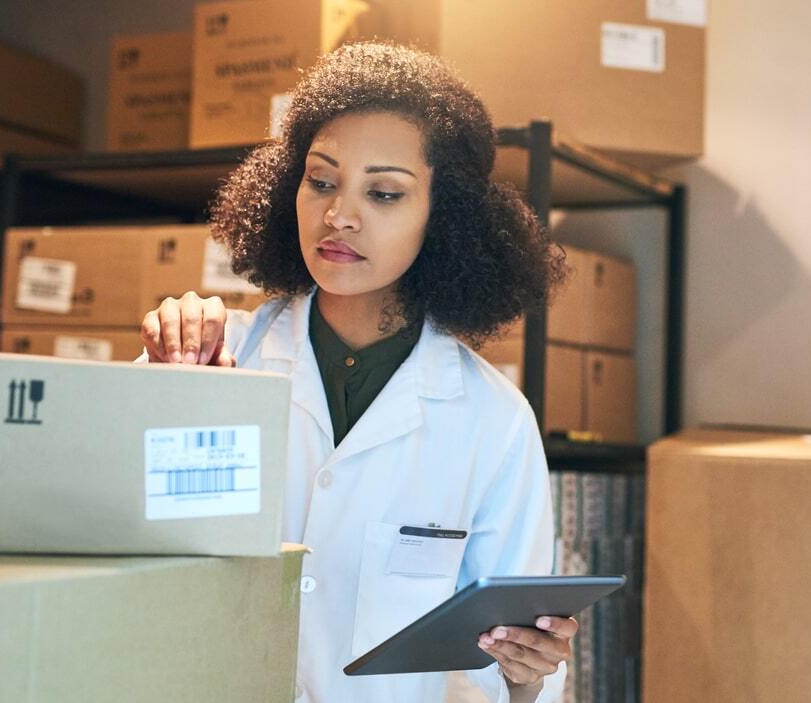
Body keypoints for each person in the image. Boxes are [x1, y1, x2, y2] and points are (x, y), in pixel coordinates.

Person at [139, 42, 572, 702]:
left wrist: (531, 667)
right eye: (320, 180)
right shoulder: (209, 352)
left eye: (385, 192)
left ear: (445, 216)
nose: (340, 214)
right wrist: (158, 386)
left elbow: (511, 668)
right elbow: (104, 554)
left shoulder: (493, 421)